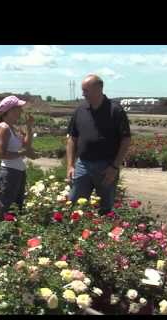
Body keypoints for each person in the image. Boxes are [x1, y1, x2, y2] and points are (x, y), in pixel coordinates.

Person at [66, 74, 131, 215]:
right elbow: (72, 138)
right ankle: (74, 233)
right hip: (83, 165)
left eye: (86, 90)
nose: (83, 94)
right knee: (74, 205)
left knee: (105, 207)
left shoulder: (115, 110)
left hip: (106, 167)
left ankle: (102, 235)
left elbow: (125, 140)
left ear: (99, 89)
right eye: (82, 90)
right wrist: (70, 165)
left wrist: (114, 166)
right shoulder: (80, 110)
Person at [0, 95, 38, 220]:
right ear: (10, 111)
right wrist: (23, 153)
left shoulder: (13, 128)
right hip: (9, 173)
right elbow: (1, 154)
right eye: (19, 108)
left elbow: (27, 146)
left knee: (17, 207)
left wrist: (29, 126)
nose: (21, 112)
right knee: (6, 206)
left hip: (18, 172)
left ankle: (12, 234)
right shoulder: (4, 128)